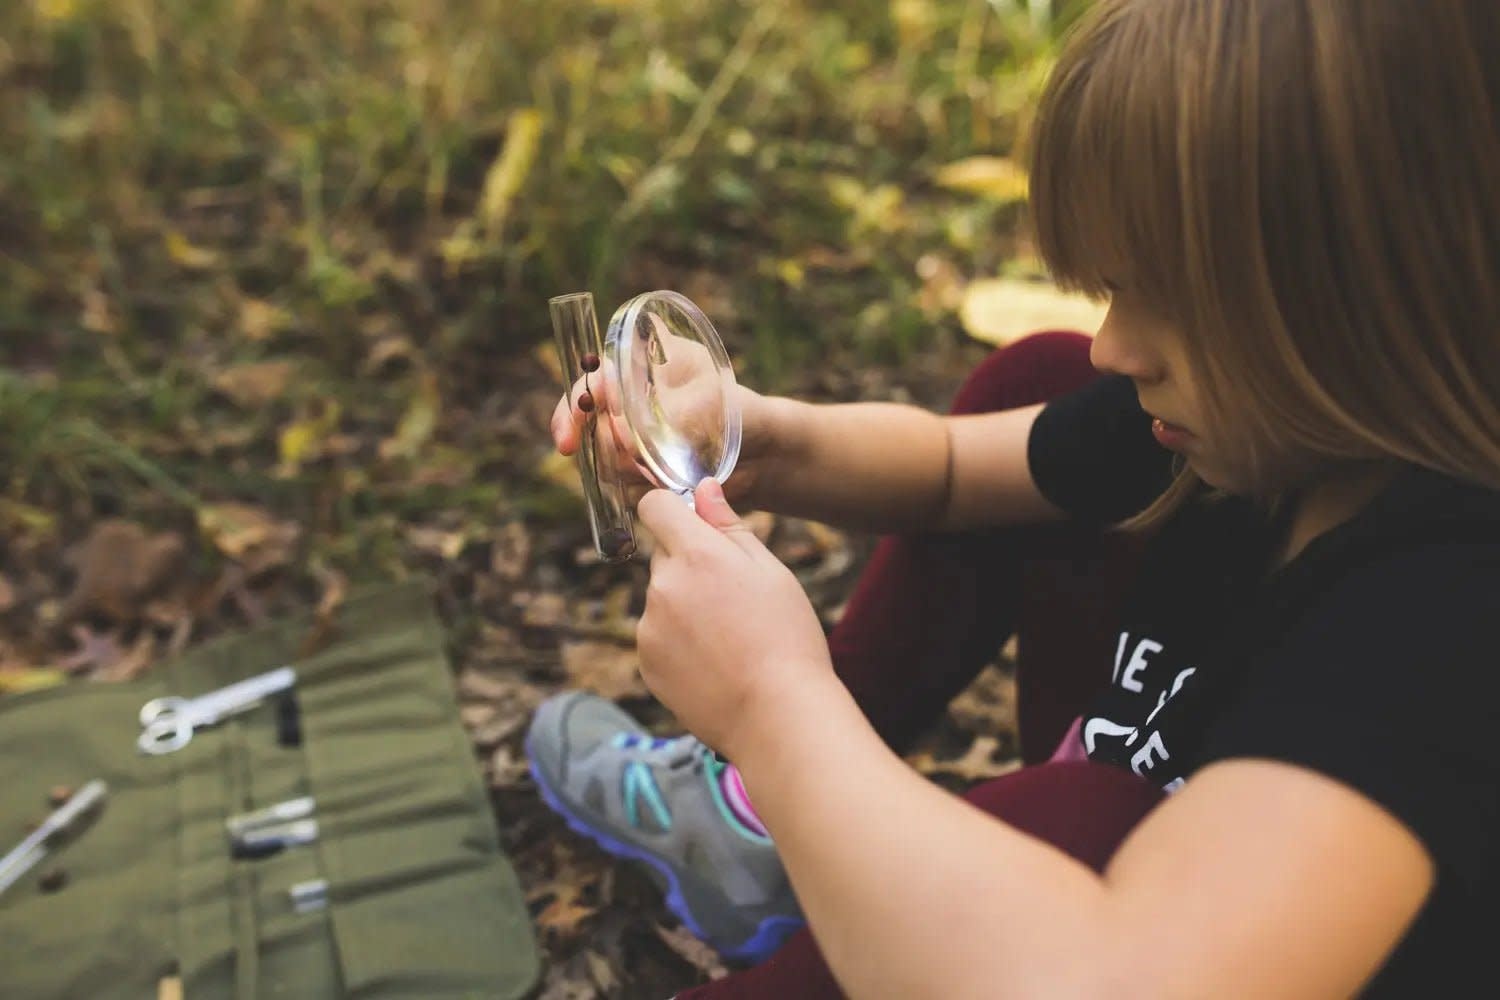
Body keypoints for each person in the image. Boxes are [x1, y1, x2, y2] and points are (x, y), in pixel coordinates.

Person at [527, 0, 1500, 995]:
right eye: (1114, 289)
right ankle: (762, 832)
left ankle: (815, 832)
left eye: (1170, 296)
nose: (1117, 347)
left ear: (1379, 288)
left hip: (1090, 956)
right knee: (1039, 375)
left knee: (1084, 821)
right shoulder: (1268, 438)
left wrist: (776, 707)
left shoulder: (1451, 608)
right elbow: (951, 474)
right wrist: (762, 436)